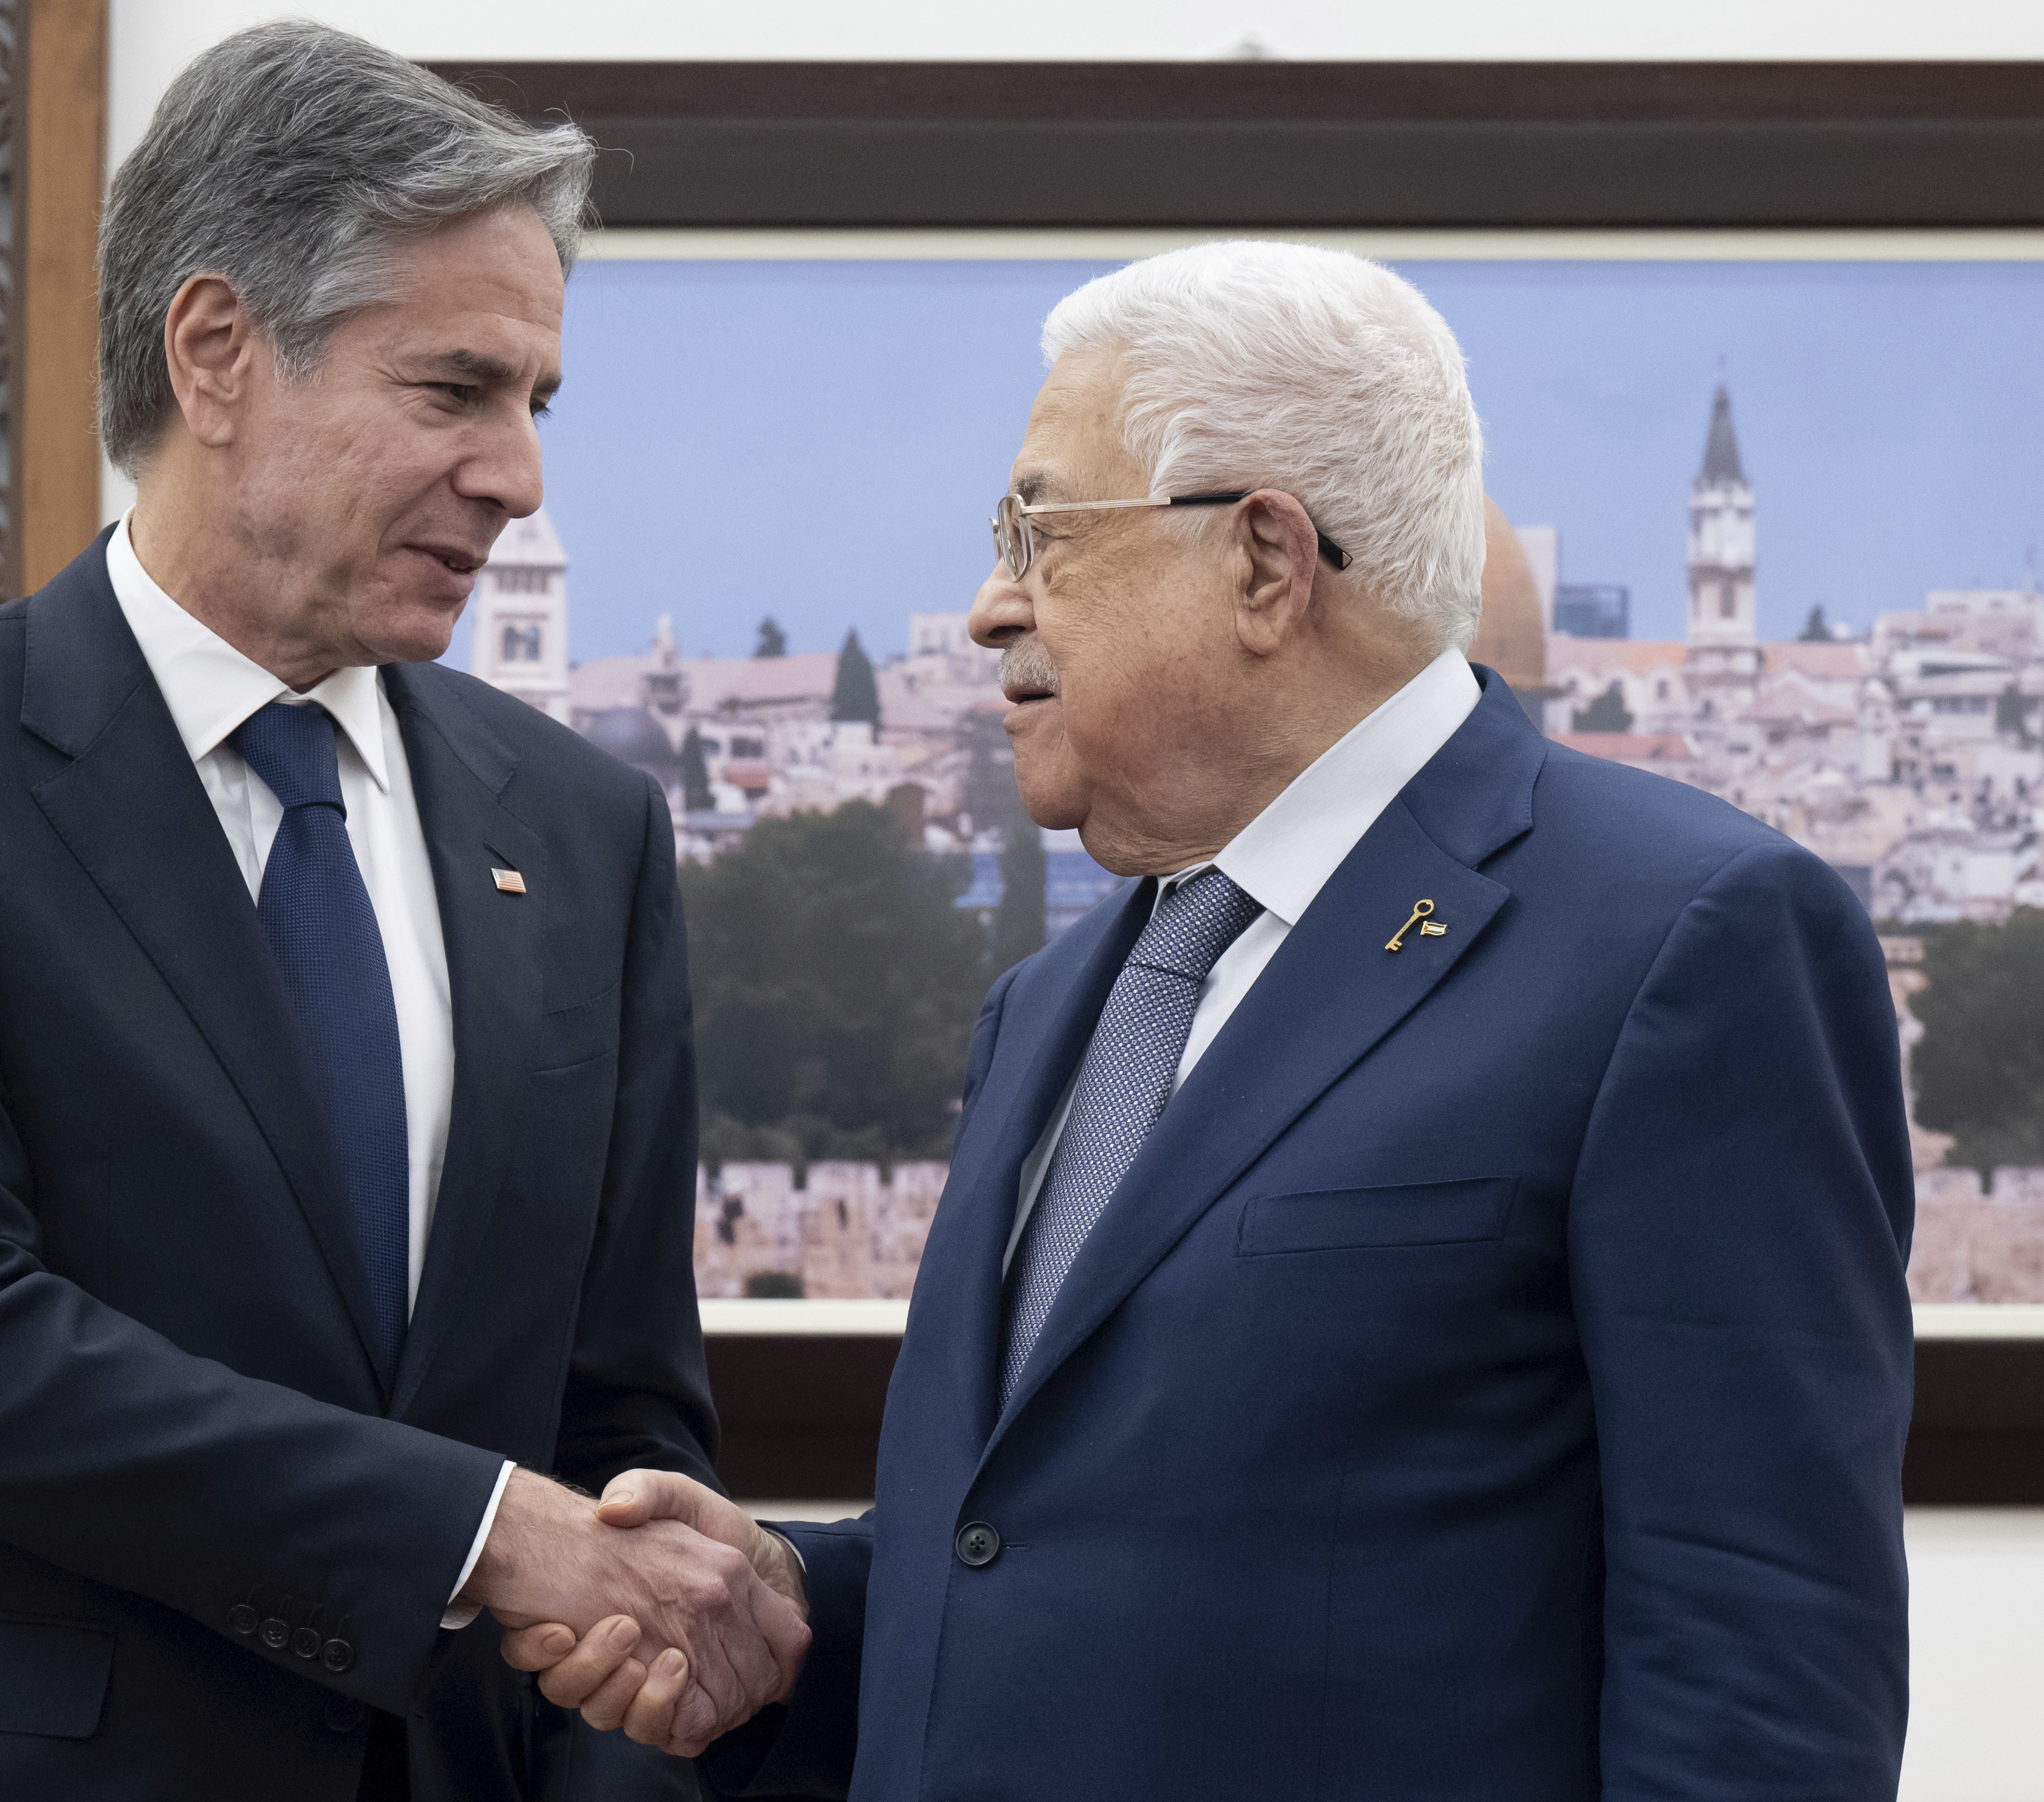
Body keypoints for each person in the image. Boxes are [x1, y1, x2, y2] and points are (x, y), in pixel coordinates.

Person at [507, 240, 1916, 1799]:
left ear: (1263, 561)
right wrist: (788, 1609)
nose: (987, 609)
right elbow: (1033, 1550)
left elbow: (1761, 1665)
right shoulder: (1056, 1004)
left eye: (1039, 532)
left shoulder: (1683, 941)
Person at [0, 24, 802, 1802]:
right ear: (216, 353)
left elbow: (617, 1412)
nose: (520, 479)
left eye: (538, 405)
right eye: (457, 392)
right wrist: (482, 1533)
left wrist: (634, 1618)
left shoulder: (585, 832)